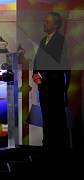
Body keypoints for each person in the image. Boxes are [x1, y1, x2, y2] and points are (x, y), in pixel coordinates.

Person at [32, 11, 70, 149]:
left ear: (55, 25)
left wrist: (42, 77)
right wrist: (35, 75)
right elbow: (38, 61)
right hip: (43, 88)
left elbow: (59, 65)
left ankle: (58, 147)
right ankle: (47, 145)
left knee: (56, 119)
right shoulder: (43, 40)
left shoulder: (61, 41)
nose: (44, 23)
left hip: (55, 88)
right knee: (46, 118)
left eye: (47, 21)